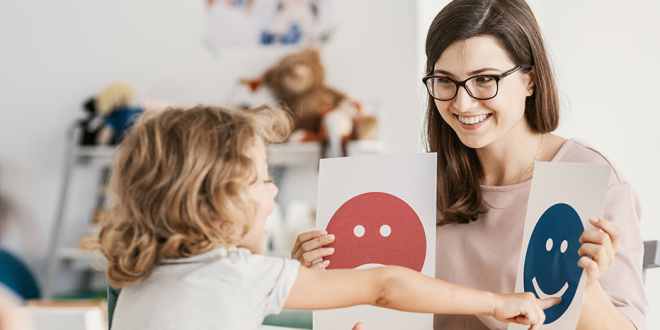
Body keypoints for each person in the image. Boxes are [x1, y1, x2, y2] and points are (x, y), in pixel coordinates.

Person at [290, 0, 649, 329]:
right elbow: (387, 304)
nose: (462, 103)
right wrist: (319, 280)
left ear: (530, 80)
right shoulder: (417, 186)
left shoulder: (588, 178)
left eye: (484, 79)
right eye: (445, 81)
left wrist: (585, 288)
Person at [95, 105, 558, 330]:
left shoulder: (137, 279)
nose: (273, 188)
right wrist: (493, 303)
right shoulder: (238, 276)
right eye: (259, 179)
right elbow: (384, 285)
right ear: (211, 204)